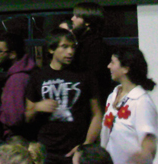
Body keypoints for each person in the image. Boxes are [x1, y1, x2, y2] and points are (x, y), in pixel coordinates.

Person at [25, 28, 102, 164]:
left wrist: (86, 145)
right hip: (46, 151)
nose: (70, 52)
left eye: (73, 47)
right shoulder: (38, 76)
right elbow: (27, 116)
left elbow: (97, 114)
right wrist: (37, 107)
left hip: (75, 151)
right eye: (64, 47)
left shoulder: (85, 75)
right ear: (51, 50)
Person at [100, 48, 158, 164]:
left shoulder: (141, 101)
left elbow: (148, 139)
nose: (108, 66)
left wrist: (142, 156)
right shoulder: (112, 96)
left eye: (113, 62)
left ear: (126, 69)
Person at [0, 32, 36, 140]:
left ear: (12, 54)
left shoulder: (17, 79)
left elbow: (14, 118)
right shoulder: (21, 75)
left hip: (15, 138)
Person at [71, 3, 111, 108]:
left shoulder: (96, 46)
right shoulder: (82, 43)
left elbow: (92, 79)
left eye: (77, 16)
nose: (72, 19)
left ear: (88, 21)